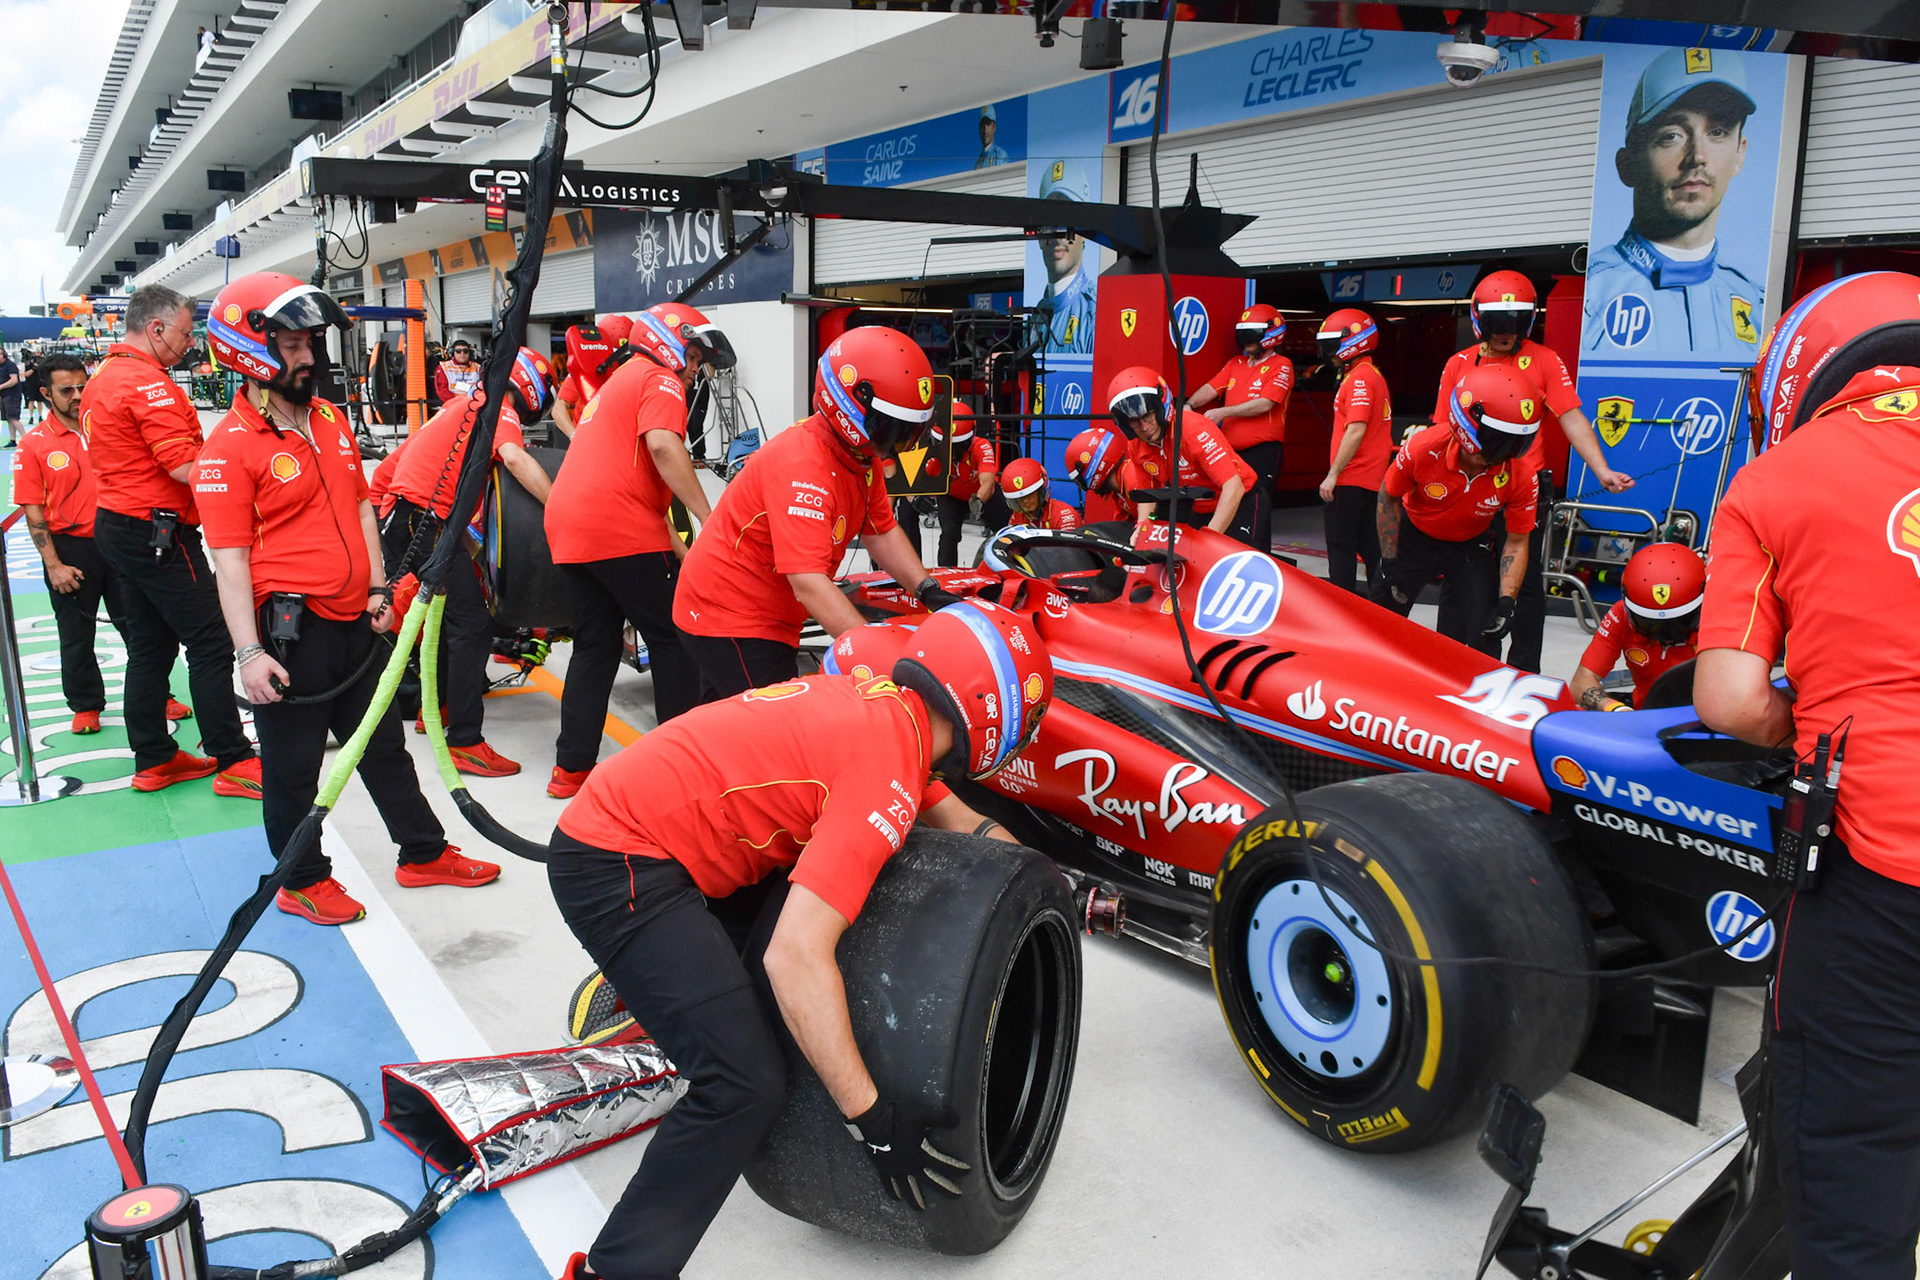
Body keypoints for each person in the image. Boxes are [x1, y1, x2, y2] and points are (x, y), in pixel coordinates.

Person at [546, 603, 1053, 1280]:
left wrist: (1041, 887)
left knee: (781, 949)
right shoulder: (887, 770)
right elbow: (795, 956)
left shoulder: (885, 707)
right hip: (619, 864)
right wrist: (868, 1117)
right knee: (743, 1083)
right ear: (996, 713)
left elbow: (963, 821)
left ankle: (674, 986)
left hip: (655, 834)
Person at [1691, 271, 1920, 1279]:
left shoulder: (1775, 482)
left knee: (1848, 1171)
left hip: (1882, 874)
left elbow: (1732, 701)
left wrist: (1814, 717)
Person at [195, 272, 495, 927]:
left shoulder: (329, 419)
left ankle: (422, 853)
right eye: (294, 344)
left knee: (384, 746)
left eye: (311, 343)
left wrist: (378, 587)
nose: (308, 357)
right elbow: (230, 561)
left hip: (354, 620)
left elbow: (361, 507)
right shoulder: (229, 451)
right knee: (294, 768)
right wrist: (248, 653)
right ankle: (302, 880)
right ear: (251, 350)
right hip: (288, 635)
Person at [674, 326, 961, 698]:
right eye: (892, 431)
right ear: (851, 406)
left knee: (723, 730)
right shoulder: (803, 465)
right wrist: (869, 653)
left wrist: (927, 589)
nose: (895, 446)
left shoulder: (860, 458)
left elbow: (882, 532)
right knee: (778, 734)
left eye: (907, 433)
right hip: (731, 616)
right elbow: (808, 581)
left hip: (752, 610)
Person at [546, 304, 730, 798]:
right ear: (672, 344)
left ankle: (571, 768)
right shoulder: (658, 378)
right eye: (693, 357)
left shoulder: (616, 385)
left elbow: (634, 492)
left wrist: (682, 552)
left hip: (571, 527)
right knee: (674, 639)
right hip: (615, 526)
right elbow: (665, 449)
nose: (694, 371)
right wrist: (709, 522)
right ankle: (678, 767)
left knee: (596, 646)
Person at [85, 284, 261, 795]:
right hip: (158, 531)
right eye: (186, 333)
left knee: (150, 645)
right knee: (211, 639)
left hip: (118, 525)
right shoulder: (149, 386)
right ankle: (233, 758)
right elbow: (185, 465)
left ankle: (156, 757)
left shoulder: (106, 377)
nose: (192, 344)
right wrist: (248, 477)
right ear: (156, 328)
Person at [1438, 271, 1635, 671]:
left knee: (1525, 587)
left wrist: (1602, 470)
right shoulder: (1458, 364)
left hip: (1523, 491)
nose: (1505, 334)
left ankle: (1526, 672)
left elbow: (1572, 417)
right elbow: (1444, 429)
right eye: (1497, 325)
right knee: (1467, 579)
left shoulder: (1544, 360)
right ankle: (1465, 663)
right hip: (1471, 488)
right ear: (1480, 321)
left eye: (1514, 324)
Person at [382, 346, 555, 776]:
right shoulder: (500, 408)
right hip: (420, 522)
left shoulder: (461, 405)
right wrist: (561, 508)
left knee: (444, 622)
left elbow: (395, 468)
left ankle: (433, 710)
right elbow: (515, 458)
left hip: (408, 518)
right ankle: (464, 739)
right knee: (471, 625)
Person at [11, 354, 178, 735]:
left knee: (143, 629)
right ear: (45, 393)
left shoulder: (110, 429)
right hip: (72, 549)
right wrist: (53, 565)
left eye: (82, 388)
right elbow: (34, 511)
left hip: (122, 543)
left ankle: (160, 695)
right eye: (66, 390)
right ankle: (86, 705)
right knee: (75, 636)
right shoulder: (35, 445)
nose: (76, 396)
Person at [1585, 46, 1762, 358]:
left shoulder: (1757, 306)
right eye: (1671, 135)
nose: (1697, 157)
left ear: (1740, 153)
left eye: (1717, 132)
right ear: (1627, 165)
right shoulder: (1590, 297)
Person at [1373, 362, 1542, 651]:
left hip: (1469, 544)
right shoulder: (1422, 448)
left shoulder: (1521, 473)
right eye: (1499, 441)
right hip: (1415, 536)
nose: (1504, 453)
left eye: (1516, 442)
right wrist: (1389, 561)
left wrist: (1506, 601)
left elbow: (1516, 541)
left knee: (1484, 629)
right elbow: (1388, 498)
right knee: (1379, 616)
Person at [1106, 366, 1254, 542]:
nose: (1144, 427)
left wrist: (1209, 539)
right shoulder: (1135, 445)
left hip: (1240, 500)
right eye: (1134, 422)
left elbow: (1234, 487)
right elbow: (1147, 493)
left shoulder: (1193, 430)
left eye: (1148, 416)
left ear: (1161, 408)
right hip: (1196, 506)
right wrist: (1142, 528)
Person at [1188, 304, 1292, 551]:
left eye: (1251, 335)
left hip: (1263, 451)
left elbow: (1266, 403)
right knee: (1233, 505)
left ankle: (1262, 557)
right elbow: (1211, 389)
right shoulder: (1235, 363)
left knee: (1259, 509)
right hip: (1232, 454)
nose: (1246, 341)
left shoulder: (1282, 365)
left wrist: (1222, 412)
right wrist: (1188, 404)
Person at [1568, 541, 1702, 712]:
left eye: (1680, 622)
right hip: (1643, 715)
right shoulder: (1621, 614)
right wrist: (1615, 709)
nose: (1666, 636)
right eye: (1651, 624)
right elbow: (1580, 683)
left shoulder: (1720, 619)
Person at [1315, 309, 1391, 595]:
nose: (1329, 352)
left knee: (1341, 549)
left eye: (1333, 344)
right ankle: (1380, 608)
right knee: (1371, 549)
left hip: (1351, 480)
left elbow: (1356, 429)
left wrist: (1332, 475)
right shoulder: (1370, 375)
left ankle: (1342, 609)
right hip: (1369, 480)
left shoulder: (1360, 379)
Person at [907, 402, 997, 567]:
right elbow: (912, 480)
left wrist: (979, 500)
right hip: (951, 496)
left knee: (1004, 530)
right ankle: (946, 575)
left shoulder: (981, 446)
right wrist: (915, 498)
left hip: (978, 496)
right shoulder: (931, 452)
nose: (952, 452)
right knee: (948, 533)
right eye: (947, 445)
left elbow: (988, 481)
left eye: (958, 446)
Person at [1035, 160, 1095, 354]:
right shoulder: (1036, 317)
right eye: (1048, 222)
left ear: (1084, 232)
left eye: (1067, 222)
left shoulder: (1096, 314)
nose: (1057, 235)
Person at [554, 315, 632, 439]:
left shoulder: (633, 369)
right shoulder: (584, 368)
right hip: (587, 440)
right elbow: (559, 408)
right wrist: (574, 437)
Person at [1064, 424, 1135, 523]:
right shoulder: (1117, 491)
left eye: (1080, 475)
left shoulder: (1132, 475)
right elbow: (1121, 528)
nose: (1081, 481)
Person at [1002, 457, 1081, 531]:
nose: (1025, 501)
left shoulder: (1064, 517)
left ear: (1041, 491)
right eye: (1020, 497)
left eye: (1030, 494)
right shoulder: (1017, 517)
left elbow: (1069, 545)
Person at [432, 339, 482, 405]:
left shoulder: (478, 367)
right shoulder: (443, 368)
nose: (462, 353)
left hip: (474, 404)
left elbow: (483, 388)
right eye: (458, 351)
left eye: (465, 351)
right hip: (452, 405)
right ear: (453, 353)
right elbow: (442, 391)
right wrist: (456, 403)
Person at [973, 102, 1009, 169]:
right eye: (982, 124)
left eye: (988, 123)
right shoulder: (978, 164)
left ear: (994, 127)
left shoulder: (1000, 156)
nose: (985, 129)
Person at [0, 345, 22, 447]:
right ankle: (12, 440)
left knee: (13, 418)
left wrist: (1, 386)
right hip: (5, 395)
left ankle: (26, 438)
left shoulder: (10, 365)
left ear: (4, 354)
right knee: (9, 419)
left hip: (12, 395)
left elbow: (14, 380)